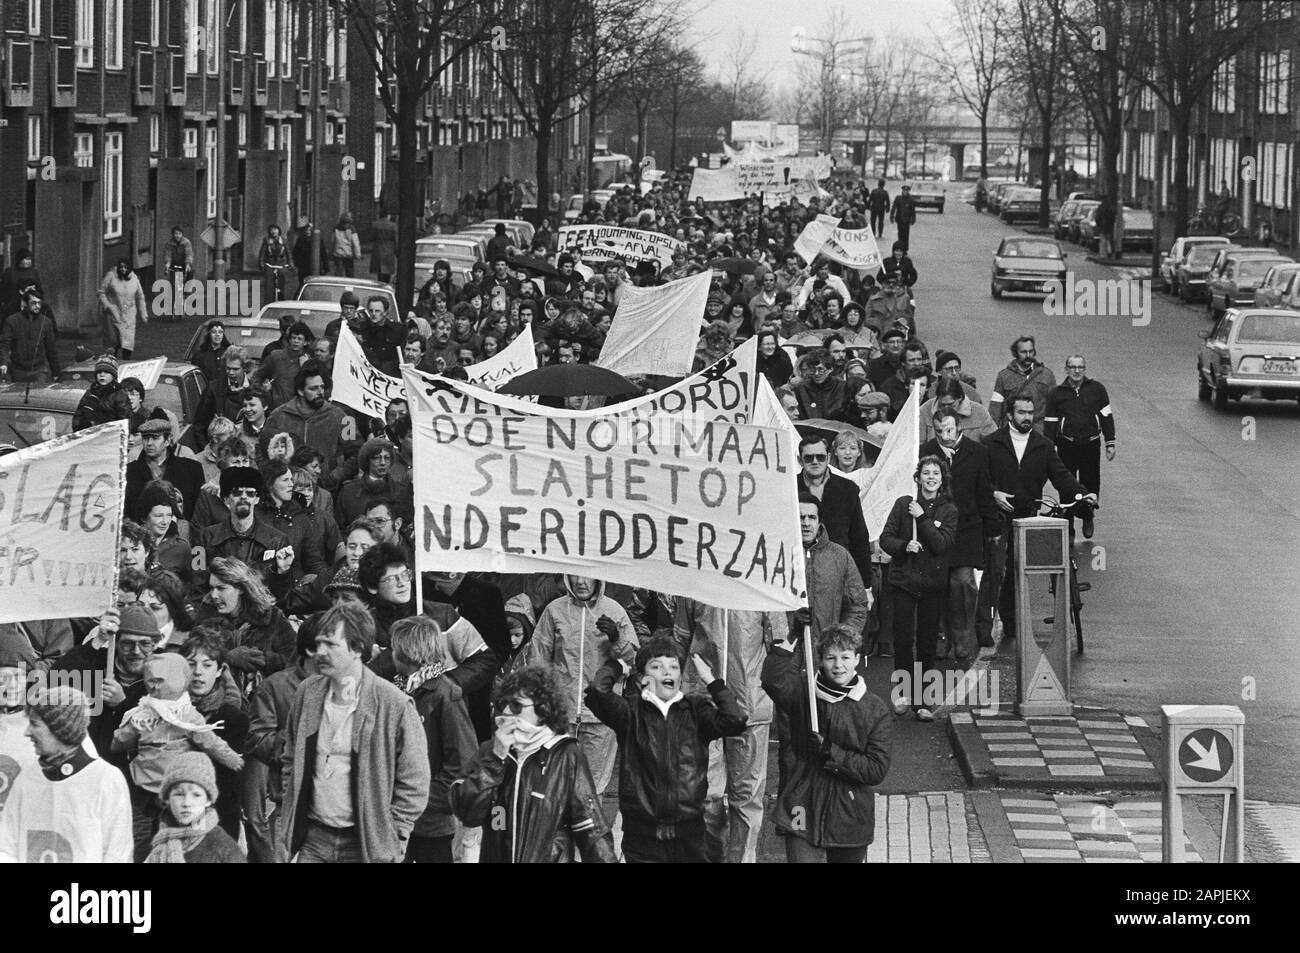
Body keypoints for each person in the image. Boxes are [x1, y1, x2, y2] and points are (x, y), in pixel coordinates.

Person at [281, 602, 430, 863]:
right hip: (314, 838)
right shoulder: (308, 693)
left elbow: (415, 779)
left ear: (357, 649)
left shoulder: (393, 704)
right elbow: (290, 759)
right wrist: (290, 809)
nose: (320, 653)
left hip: (364, 844)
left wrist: (394, 834)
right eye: (318, 644)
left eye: (330, 645)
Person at [584, 636, 745, 863]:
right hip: (642, 837)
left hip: (690, 835)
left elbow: (735, 720)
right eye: (657, 666)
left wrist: (711, 680)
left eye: (673, 666)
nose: (667, 672)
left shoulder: (696, 710)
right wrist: (617, 666)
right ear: (643, 677)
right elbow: (596, 692)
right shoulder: (630, 713)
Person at [449, 665, 616, 863]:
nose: (507, 711)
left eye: (517, 705)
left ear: (543, 710)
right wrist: (495, 761)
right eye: (503, 703)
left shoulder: (566, 755)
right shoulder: (490, 751)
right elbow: (468, 813)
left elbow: (590, 828)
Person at [761, 624, 892, 863]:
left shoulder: (875, 709)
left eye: (845, 657)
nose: (838, 665)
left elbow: (876, 769)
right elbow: (773, 680)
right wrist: (794, 635)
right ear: (820, 660)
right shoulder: (804, 694)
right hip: (802, 803)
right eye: (831, 657)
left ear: (857, 659)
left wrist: (830, 752)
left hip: (850, 813)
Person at [671, 600, 786, 863]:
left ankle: (742, 858)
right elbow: (681, 640)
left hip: (749, 705)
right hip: (702, 705)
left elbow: (779, 648)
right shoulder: (697, 581)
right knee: (704, 792)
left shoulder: (759, 583)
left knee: (746, 796)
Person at [979, 394, 1096, 645]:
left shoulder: (1042, 445)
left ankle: (1011, 622)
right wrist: (994, 494)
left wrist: (1083, 494)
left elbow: (1061, 476)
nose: (1027, 418)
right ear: (1010, 414)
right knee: (994, 571)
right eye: (1021, 412)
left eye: (1030, 413)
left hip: (1028, 515)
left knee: (1017, 570)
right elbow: (979, 479)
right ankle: (983, 627)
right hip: (997, 516)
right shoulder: (991, 444)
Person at [111, 653, 245, 860]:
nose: (155, 688)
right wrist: (128, 731)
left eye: (160, 682)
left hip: (178, 786)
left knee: (178, 834)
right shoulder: (142, 713)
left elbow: (209, 740)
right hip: (142, 788)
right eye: (151, 682)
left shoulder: (187, 715)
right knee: (141, 842)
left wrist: (232, 758)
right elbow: (120, 743)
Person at [526, 576, 638, 797]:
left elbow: (634, 662)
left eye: (586, 576)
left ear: (598, 578)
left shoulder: (614, 611)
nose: (580, 582)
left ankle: (590, 830)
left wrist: (617, 638)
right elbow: (538, 659)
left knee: (592, 788)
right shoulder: (554, 610)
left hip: (601, 716)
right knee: (556, 784)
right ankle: (559, 831)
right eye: (574, 576)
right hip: (561, 715)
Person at [0, 687, 133, 863]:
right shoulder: (27, 779)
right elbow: (7, 848)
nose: (27, 732)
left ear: (60, 728)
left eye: (35, 724)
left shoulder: (106, 779)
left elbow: (118, 854)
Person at [389, 617, 478, 863]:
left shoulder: (445, 696)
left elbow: (462, 764)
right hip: (397, 821)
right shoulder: (396, 692)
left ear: (408, 651)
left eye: (394, 647)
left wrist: (416, 798)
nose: (391, 653)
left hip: (431, 824)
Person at [879, 456, 958, 721]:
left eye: (936, 473)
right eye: (926, 473)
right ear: (918, 477)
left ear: (942, 478)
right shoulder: (904, 505)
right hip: (904, 582)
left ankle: (923, 700)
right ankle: (902, 692)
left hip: (932, 586)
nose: (931, 477)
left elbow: (941, 544)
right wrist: (904, 546)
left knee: (926, 643)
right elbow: (885, 539)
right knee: (903, 640)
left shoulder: (948, 510)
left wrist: (922, 517)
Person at [922, 409, 1002, 661]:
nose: (944, 436)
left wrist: (993, 528)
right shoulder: (925, 452)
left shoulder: (977, 452)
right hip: (935, 528)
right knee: (938, 584)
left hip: (967, 529)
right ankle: (941, 636)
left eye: (949, 430)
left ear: (959, 428)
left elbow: (984, 490)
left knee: (964, 582)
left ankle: (962, 635)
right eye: (939, 431)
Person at [1044, 355, 1116, 539]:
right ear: (1066, 369)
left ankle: (1087, 516)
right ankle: (1067, 526)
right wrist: (1048, 446)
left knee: (1090, 483)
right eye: (1073, 367)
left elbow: (1106, 416)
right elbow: (1050, 422)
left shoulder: (1097, 389)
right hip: (1066, 444)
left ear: (1085, 369)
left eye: (1080, 367)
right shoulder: (1056, 394)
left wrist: (1110, 442)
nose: (1077, 371)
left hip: (1091, 444)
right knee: (1066, 484)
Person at [797, 435, 875, 594]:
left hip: (838, 575)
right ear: (800, 460)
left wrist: (865, 586)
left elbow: (859, 539)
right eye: (808, 457)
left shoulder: (848, 489)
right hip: (799, 576)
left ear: (828, 457)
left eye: (820, 457)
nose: (815, 461)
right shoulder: (789, 487)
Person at [144, 751, 246, 863]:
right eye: (179, 794)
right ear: (167, 799)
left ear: (208, 800)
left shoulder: (223, 848)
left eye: (196, 795)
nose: (186, 803)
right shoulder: (161, 842)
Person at [264, 366, 349, 473]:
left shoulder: (340, 416)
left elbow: (356, 451)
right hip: (289, 484)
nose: (320, 392)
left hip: (325, 484)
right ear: (300, 391)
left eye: (322, 387)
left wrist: (335, 477)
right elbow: (263, 450)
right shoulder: (278, 416)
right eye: (313, 388)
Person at [127, 409, 205, 521]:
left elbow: (199, 512)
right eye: (145, 438)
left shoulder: (191, 469)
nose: (149, 443)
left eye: (155, 438)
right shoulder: (130, 472)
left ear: (168, 440)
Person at [988, 335, 1057, 431]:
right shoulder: (1003, 376)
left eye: (1031, 351)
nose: (1028, 355)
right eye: (1023, 352)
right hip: (1011, 432)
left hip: (1038, 433)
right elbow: (995, 408)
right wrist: (993, 435)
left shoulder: (1047, 375)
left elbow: (1054, 407)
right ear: (1016, 353)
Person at [0, 288, 62, 382]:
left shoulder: (46, 322)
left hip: (39, 369)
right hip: (18, 369)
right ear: (25, 303)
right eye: (33, 303)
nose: (37, 306)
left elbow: (51, 349)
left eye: (39, 303)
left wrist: (56, 372)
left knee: (38, 395)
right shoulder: (12, 321)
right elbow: (5, 344)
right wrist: (3, 363)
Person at [252, 321, 313, 410]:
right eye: (293, 338)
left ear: (306, 342)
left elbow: (311, 386)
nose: (295, 341)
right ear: (289, 340)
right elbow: (257, 377)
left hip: (297, 409)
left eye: (299, 339)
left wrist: (305, 366)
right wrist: (263, 391)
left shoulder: (308, 361)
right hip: (275, 408)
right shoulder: (276, 356)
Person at [920, 375, 996, 444]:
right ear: (937, 398)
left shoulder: (980, 412)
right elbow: (918, 444)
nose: (946, 408)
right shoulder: (925, 410)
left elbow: (994, 443)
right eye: (942, 405)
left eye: (951, 404)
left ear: (960, 398)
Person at [97, 258, 149, 357]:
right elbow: (101, 292)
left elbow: (140, 296)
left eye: (125, 267)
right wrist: (108, 306)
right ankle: (113, 366)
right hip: (113, 315)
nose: (123, 269)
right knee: (113, 345)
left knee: (127, 346)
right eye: (121, 267)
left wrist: (143, 313)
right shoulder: (111, 276)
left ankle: (125, 365)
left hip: (129, 316)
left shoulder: (134, 279)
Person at [72, 353, 133, 431]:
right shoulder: (90, 392)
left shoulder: (119, 394)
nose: (102, 375)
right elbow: (78, 415)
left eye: (106, 372)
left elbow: (125, 421)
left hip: (109, 437)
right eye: (99, 372)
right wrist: (78, 428)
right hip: (88, 436)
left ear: (113, 376)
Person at [792, 347, 846, 419]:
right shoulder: (801, 388)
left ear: (830, 369)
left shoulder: (841, 387)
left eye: (820, 369)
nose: (816, 373)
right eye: (813, 369)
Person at [331, 213, 362, 277]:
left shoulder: (336, 228)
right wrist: (358, 254)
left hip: (338, 253)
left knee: (338, 273)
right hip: (348, 254)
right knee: (350, 273)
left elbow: (332, 240)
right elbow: (356, 243)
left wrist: (332, 250)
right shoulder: (351, 229)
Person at [370, 212, 398, 283]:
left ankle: (380, 283)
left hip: (377, 249)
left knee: (379, 270)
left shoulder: (375, 224)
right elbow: (395, 239)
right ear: (388, 216)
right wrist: (397, 252)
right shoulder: (393, 226)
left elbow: (372, 237)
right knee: (387, 271)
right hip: (389, 250)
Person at [891, 183, 918, 250]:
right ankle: (900, 248)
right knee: (900, 235)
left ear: (908, 191)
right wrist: (892, 216)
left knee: (906, 235)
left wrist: (913, 218)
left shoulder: (911, 199)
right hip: (899, 219)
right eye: (904, 190)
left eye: (907, 191)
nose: (905, 192)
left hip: (907, 220)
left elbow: (913, 210)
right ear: (902, 191)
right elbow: (894, 208)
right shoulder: (898, 198)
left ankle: (905, 249)